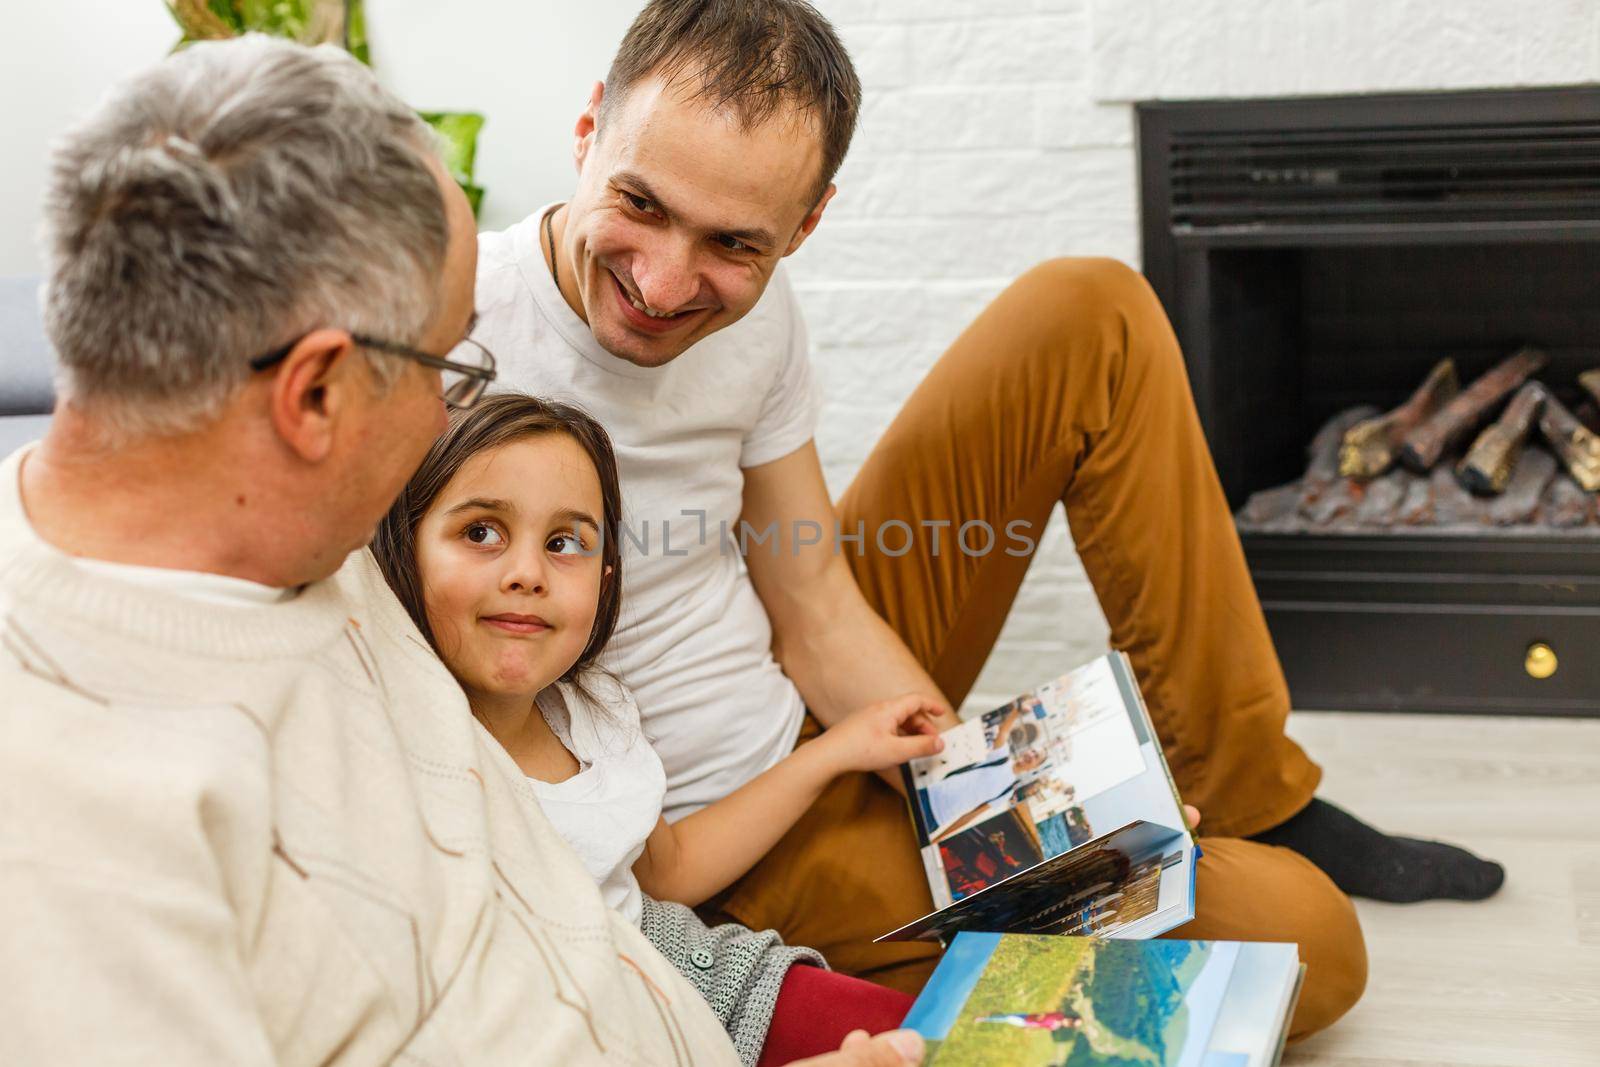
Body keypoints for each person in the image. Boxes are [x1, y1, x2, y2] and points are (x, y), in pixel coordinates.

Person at [477, 0, 1498, 1039]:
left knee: (1086, 311)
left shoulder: (754, 313)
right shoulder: (454, 335)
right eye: (640, 204)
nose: (662, 281)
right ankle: (894, 983)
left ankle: (1247, 787)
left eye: (733, 242)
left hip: (818, 716)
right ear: (587, 129)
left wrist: (985, 791)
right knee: (1307, 942)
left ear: (805, 224)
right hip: (713, 849)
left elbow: (814, 600)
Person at [0, 34, 921, 1067]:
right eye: (446, 362)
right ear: (315, 394)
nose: (455, 406)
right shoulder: (73, 821)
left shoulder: (303, 552)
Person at [370, 392, 942, 1063]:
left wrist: (840, 749)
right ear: (402, 548)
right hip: (612, 1037)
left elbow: (670, 870)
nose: (526, 574)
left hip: (718, 980)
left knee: (991, 1041)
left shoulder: (593, 710)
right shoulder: (406, 754)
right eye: (481, 533)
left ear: (605, 577)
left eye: (564, 543)